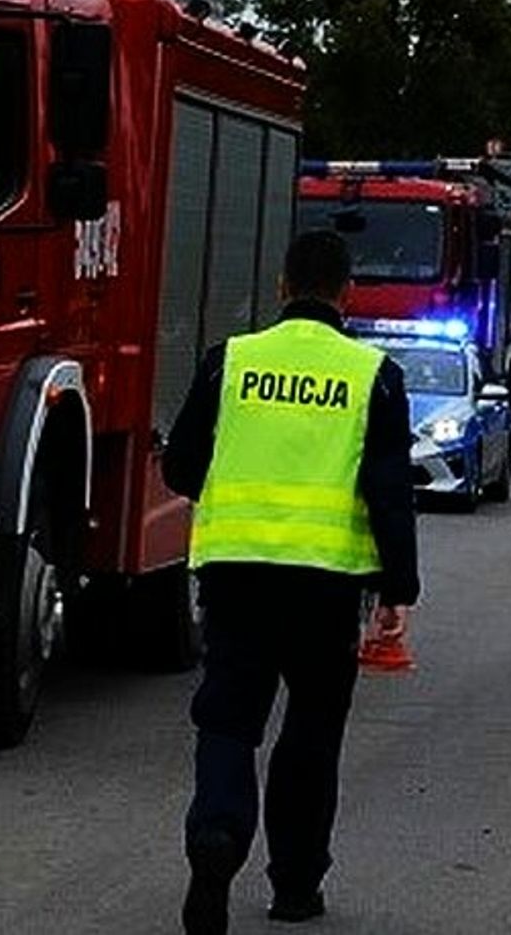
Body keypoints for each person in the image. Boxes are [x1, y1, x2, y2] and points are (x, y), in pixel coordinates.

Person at [162, 229, 419, 934]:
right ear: (348, 292)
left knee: (227, 721)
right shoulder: (373, 374)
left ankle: (215, 837)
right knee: (310, 735)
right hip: (326, 590)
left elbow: (180, 466)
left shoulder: (231, 362)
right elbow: (390, 492)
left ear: (281, 287)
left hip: (236, 577)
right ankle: (295, 885)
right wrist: (399, 590)